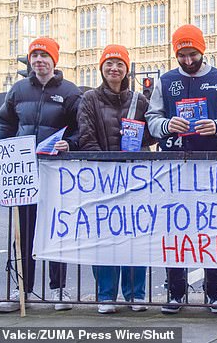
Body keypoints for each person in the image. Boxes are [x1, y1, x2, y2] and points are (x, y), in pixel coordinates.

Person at [145, 24, 217, 314]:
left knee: (212, 229)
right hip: (173, 166)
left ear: (203, 50)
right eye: (182, 55)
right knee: (174, 231)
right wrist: (165, 125)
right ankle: (175, 292)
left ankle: (214, 292)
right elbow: (152, 118)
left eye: (193, 54)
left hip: (210, 165)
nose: (188, 61)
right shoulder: (166, 81)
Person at [0, 37, 81, 313]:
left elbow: (80, 129)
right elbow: (5, 124)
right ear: (31, 60)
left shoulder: (70, 92)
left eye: (44, 56)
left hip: (56, 173)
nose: (39, 61)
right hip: (25, 174)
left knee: (56, 230)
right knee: (22, 233)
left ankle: (59, 290)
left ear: (54, 61)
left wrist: (70, 143)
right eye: (35, 56)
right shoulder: (18, 90)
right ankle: (22, 290)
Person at [77, 44, 154, 314]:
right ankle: (106, 295)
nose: (114, 68)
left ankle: (136, 295)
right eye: (109, 63)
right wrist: (106, 168)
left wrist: (138, 135)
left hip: (134, 178)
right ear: (101, 68)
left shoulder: (140, 101)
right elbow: (86, 137)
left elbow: (151, 136)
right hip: (104, 178)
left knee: (135, 236)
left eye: (120, 64)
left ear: (127, 69)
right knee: (105, 237)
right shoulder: (89, 100)